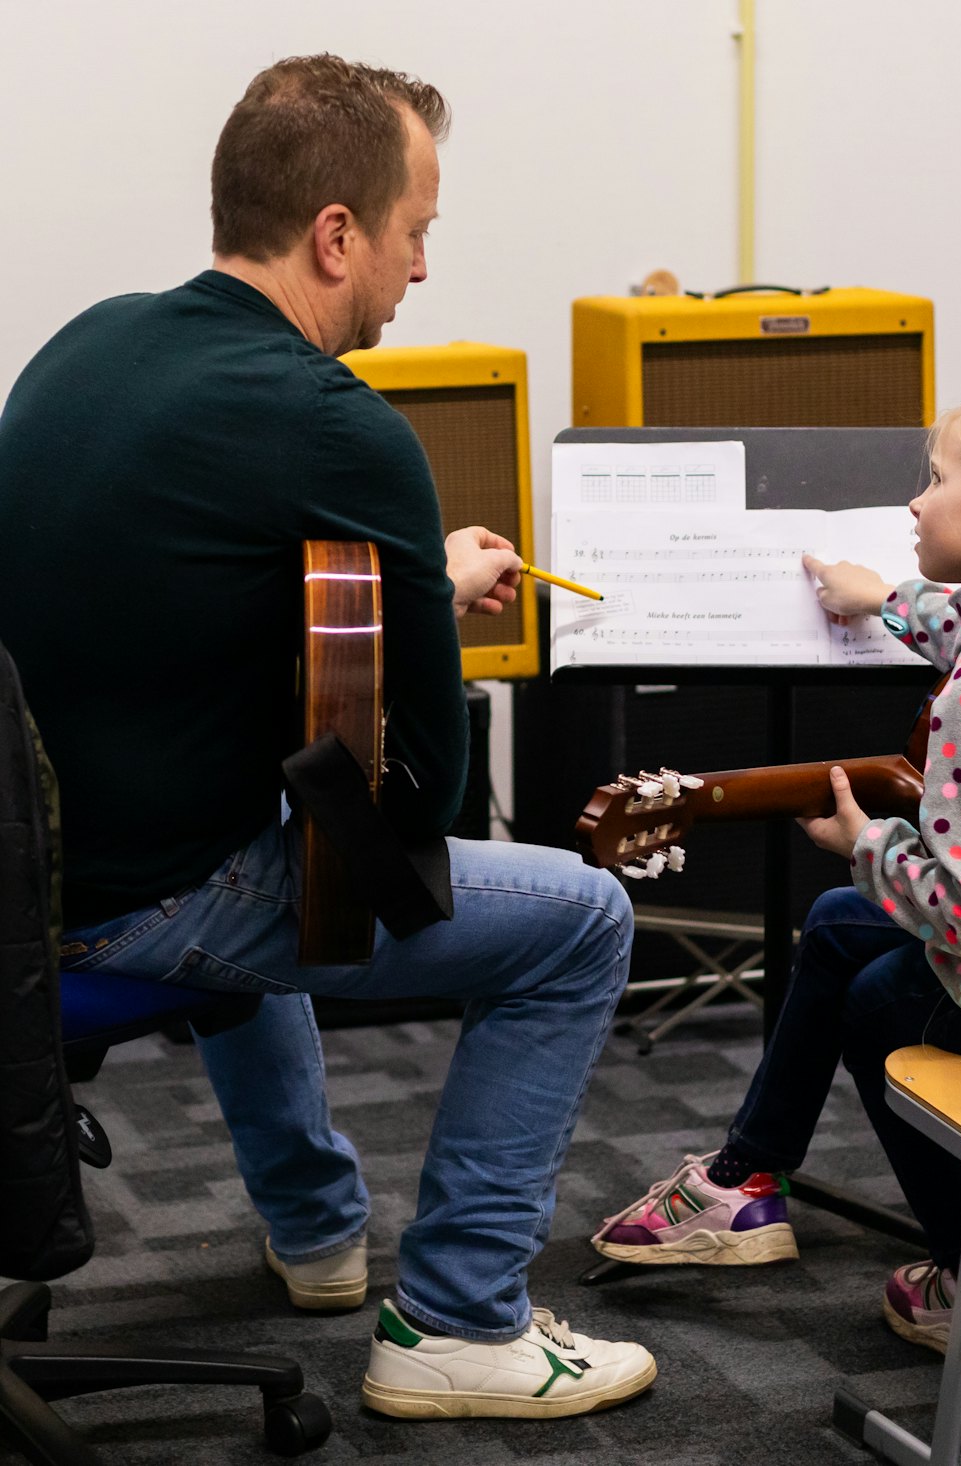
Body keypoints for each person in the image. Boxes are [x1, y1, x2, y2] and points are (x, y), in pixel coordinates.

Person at [0, 54, 657, 1421]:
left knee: (276, 821)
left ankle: (314, 1233)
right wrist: (424, 593)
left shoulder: (89, 341)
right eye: (418, 229)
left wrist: (412, 576)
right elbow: (422, 801)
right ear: (337, 234)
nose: (422, 268)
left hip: (33, 870)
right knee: (576, 914)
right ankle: (463, 1320)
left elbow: (165, 589)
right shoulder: (337, 422)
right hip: (122, 906)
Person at [593, 389, 961, 1375]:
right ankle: (747, 1180)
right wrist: (882, 601)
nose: (914, 503)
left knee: (875, 996)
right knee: (837, 923)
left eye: (934, 477)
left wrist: (865, 839)